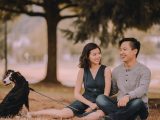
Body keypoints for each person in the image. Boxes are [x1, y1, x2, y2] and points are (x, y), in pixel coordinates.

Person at [30, 43, 111, 120]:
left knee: (95, 116)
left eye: (99, 53)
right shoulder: (82, 71)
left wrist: (94, 106)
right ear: (87, 56)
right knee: (62, 114)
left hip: (100, 103)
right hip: (85, 101)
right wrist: (90, 104)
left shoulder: (106, 70)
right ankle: (32, 114)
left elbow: (106, 95)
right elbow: (76, 94)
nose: (98, 56)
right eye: (94, 54)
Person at [96, 38, 151, 120]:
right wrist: (99, 85)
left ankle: (114, 117)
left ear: (135, 51)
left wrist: (128, 97)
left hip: (137, 107)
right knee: (100, 98)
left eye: (124, 49)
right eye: (120, 50)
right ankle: (121, 117)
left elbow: (142, 89)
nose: (121, 52)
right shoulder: (116, 70)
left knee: (138, 102)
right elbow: (113, 90)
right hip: (120, 106)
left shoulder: (144, 70)